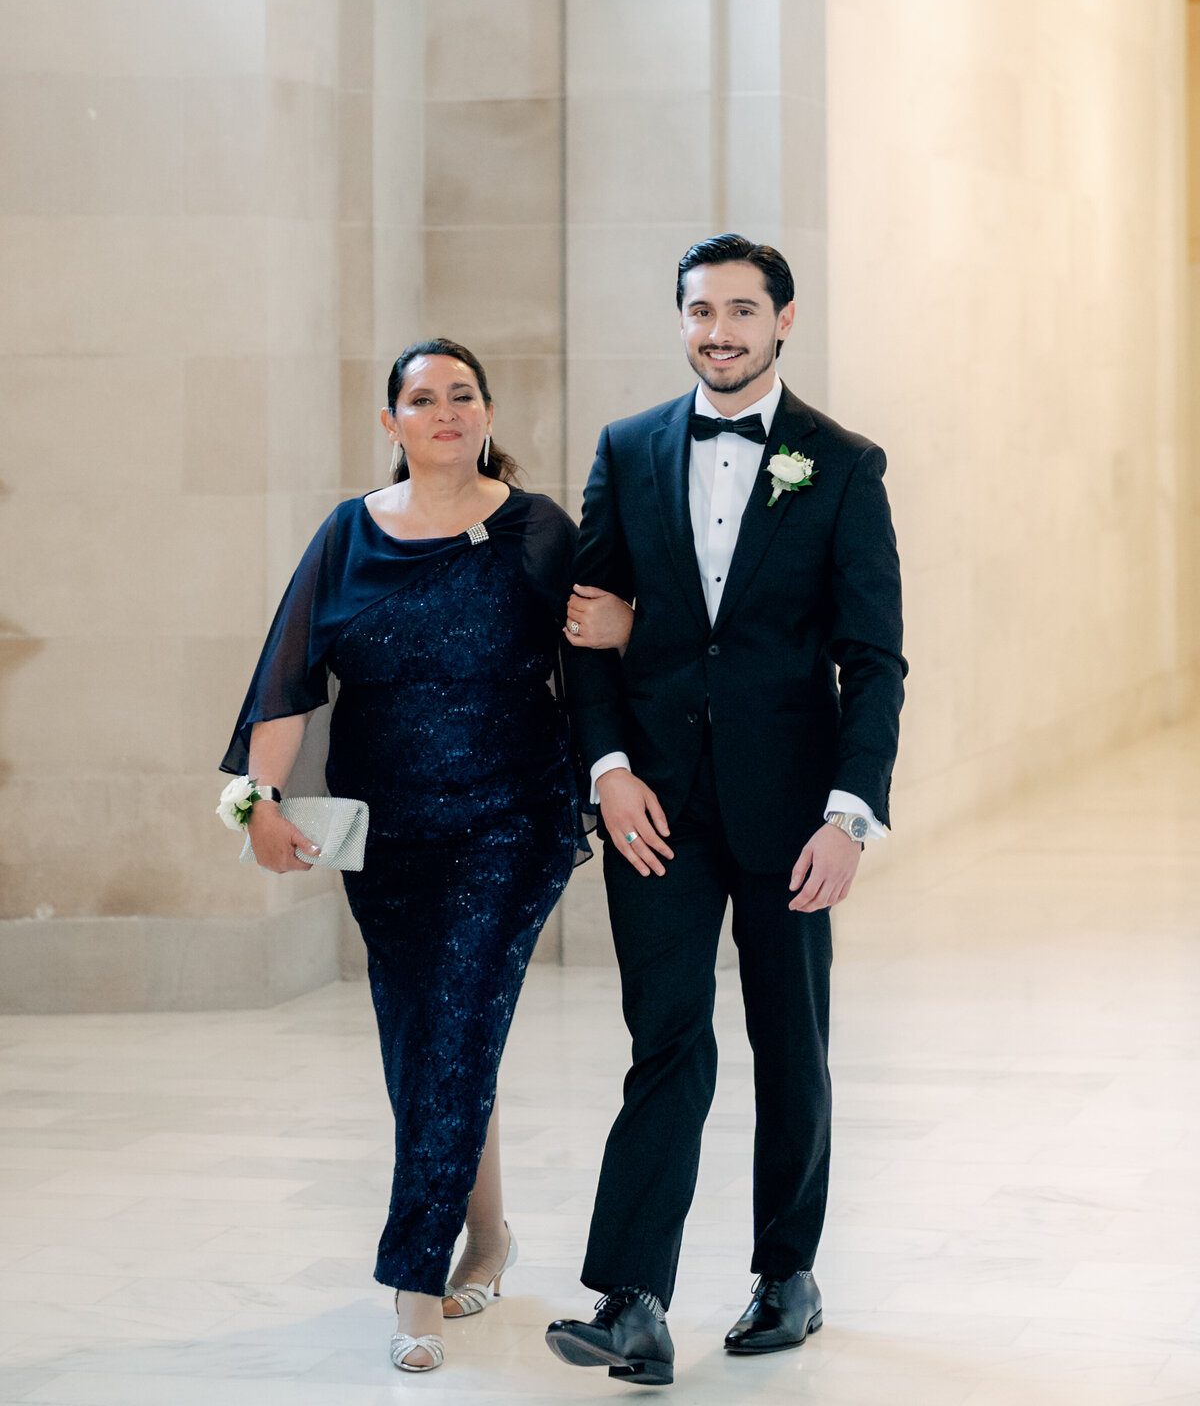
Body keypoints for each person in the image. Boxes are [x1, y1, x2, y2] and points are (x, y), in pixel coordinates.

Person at [547, 235, 906, 1387]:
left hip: (793, 811)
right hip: (654, 805)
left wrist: (849, 818)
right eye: (701, 310)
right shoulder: (628, 447)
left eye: (743, 311)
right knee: (665, 1036)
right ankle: (633, 1297)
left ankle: (786, 1273)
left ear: (784, 321)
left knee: (789, 1042)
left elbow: (874, 659)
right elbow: (586, 626)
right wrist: (606, 766)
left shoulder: (841, 464)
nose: (720, 331)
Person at [219, 338, 586, 1375]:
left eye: (462, 395)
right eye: (422, 398)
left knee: (456, 1022)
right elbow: (285, 678)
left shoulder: (535, 528)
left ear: (485, 412)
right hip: (389, 832)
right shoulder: (348, 536)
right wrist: (257, 801)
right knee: (428, 1037)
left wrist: (619, 637)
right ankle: (492, 1231)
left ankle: (414, 1281)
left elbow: (599, 660)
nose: (444, 411)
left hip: (515, 819)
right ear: (391, 424)